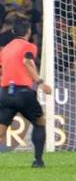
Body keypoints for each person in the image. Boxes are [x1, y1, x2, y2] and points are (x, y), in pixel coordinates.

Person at [0, 18, 52, 168]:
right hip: (23, 93)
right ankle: (38, 161)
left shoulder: (6, 49)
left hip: (5, 92)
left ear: (13, 32)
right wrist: (40, 83)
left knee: (1, 130)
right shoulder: (29, 46)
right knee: (39, 122)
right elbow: (27, 62)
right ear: (28, 32)